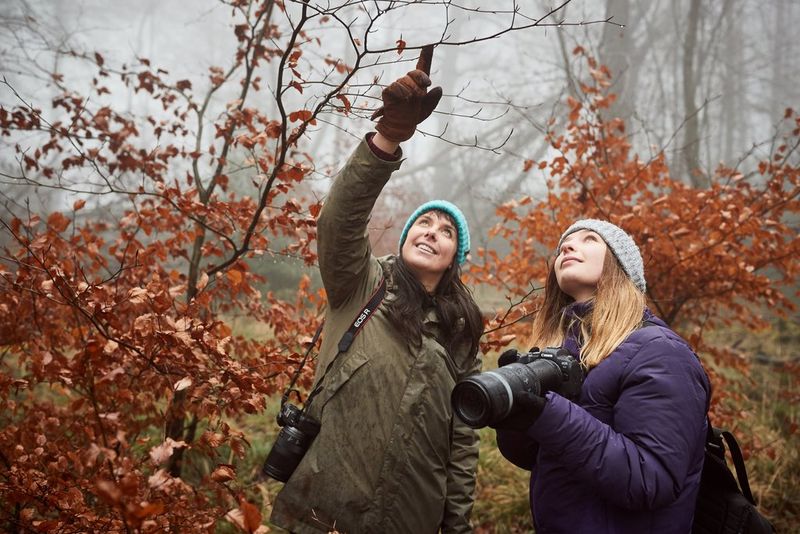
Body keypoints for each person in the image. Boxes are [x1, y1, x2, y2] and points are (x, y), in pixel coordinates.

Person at [269, 45, 484, 534]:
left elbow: (462, 442)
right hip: (323, 511)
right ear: (406, 236)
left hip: (414, 519)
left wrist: (455, 524)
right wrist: (387, 138)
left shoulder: (462, 330)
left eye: (446, 231)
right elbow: (338, 221)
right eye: (423, 224)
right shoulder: (361, 286)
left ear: (456, 257)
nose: (432, 232)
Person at [494, 219, 710, 533]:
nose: (566, 246)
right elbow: (535, 457)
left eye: (589, 239)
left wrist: (549, 412)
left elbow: (651, 479)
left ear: (620, 266)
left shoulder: (662, 353)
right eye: (563, 245)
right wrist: (515, 413)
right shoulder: (567, 352)